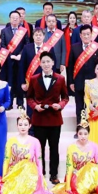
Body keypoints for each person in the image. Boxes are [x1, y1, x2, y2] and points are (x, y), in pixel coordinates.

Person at [0, 108, 55, 194]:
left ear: (30, 126)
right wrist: (4, 177)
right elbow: (6, 160)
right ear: (17, 126)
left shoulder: (35, 141)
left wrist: (40, 177)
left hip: (29, 173)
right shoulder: (11, 141)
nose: (23, 127)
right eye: (20, 125)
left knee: (27, 167)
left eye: (26, 125)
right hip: (14, 172)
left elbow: (39, 160)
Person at [26, 52, 69, 184]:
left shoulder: (60, 79)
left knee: (54, 148)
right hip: (39, 118)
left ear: (53, 63)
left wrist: (60, 105)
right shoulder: (34, 79)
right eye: (43, 62)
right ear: (40, 64)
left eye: (48, 61)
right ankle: (41, 173)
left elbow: (65, 97)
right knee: (40, 148)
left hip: (55, 118)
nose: (46, 64)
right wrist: (35, 106)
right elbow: (29, 97)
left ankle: (54, 174)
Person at [53, 111, 98, 194]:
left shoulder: (94, 146)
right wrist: (68, 186)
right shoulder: (71, 147)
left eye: (85, 134)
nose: (83, 136)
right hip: (76, 176)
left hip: (89, 177)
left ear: (89, 134)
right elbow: (69, 167)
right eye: (80, 134)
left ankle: (93, 187)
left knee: (93, 167)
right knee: (79, 190)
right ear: (77, 134)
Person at [68, 24, 98, 131]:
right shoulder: (74, 47)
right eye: (84, 34)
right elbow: (70, 67)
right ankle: (80, 128)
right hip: (78, 82)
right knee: (80, 107)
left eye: (88, 34)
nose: (86, 36)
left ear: (91, 35)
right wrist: (71, 82)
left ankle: (93, 129)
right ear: (80, 35)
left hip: (93, 83)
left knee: (93, 106)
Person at [1, 10, 29, 107]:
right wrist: (10, 55)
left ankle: (20, 103)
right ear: (10, 19)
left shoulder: (24, 31)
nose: (15, 19)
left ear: (20, 19)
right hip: (8, 60)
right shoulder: (4, 31)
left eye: (17, 18)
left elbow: (26, 45)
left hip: (20, 60)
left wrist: (20, 55)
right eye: (13, 18)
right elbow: (3, 45)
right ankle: (9, 103)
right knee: (10, 82)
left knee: (20, 81)